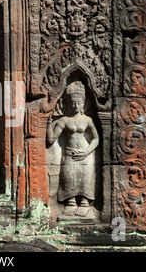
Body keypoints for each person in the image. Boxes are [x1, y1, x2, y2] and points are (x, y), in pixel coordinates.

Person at [47, 81, 99, 217]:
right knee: (69, 178)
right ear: (67, 104)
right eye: (73, 103)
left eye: (79, 103)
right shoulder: (64, 121)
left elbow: (96, 138)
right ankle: (70, 202)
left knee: (85, 179)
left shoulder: (87, 120)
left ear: (84, 103)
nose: (76, 106)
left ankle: (84, 203)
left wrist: (87, 151)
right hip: (69, 154)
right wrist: (47, 124)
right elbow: (51, 139)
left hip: (85, 154)